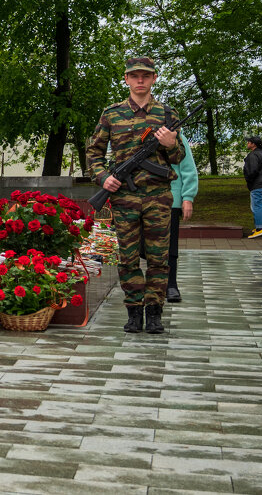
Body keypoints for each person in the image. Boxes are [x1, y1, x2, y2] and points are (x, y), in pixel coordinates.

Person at [86, 56, 183, 334]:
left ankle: (154, 312)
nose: (140, 80)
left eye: (146, 75)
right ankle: (133, 312)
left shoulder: (167, 114)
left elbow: (179, 158)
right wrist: (104, 178)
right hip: (124, 198)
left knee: (158, 258)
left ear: (154, 79)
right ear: (126, 79)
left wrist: (171, 143)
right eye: (134, 76)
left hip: (158, 198)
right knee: (127, 257)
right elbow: (93, 152)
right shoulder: (112, 113)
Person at [166, 138, 198, 303]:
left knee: (170, 245)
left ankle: (171, 284)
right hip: (138, 197)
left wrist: (188, 197)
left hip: (170, 198)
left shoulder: (176, 134)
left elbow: (187, 167)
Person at [242, 136, 262, 239]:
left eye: (249, 142)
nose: (247, 143)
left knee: (256, 207)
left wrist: (249, 181)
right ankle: (258, 227)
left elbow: (252, 171)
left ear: (253, 144)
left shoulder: (253, 155)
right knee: (260, 206)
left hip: (258, 185)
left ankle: (260, 229)